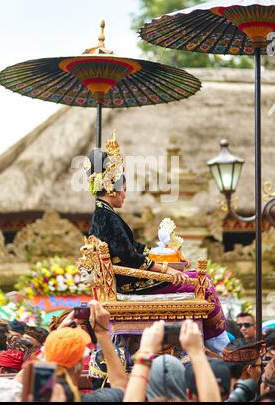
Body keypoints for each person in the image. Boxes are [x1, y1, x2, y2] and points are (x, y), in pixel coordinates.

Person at [87, 132, 229, 353]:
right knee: (203, 282)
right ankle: (218, 343)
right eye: (124, 187)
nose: (125, 193)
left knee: (193, 276)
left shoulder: (103, 215)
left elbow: (133, 248)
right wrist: (168, 271)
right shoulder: (107, 218)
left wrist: (160, 253)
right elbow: (132, 258)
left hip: (126, 279)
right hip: (132, 284)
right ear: (112, 187)